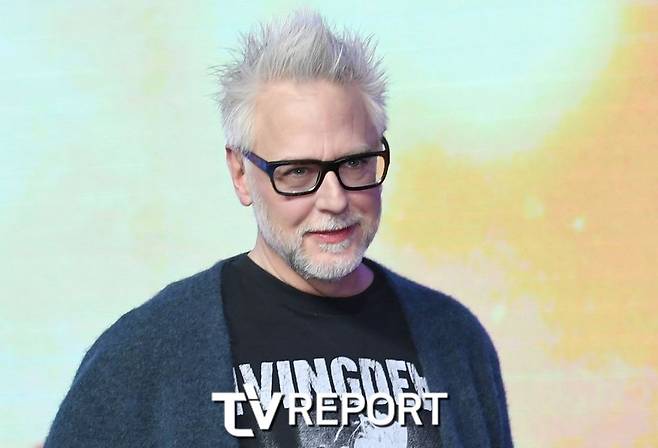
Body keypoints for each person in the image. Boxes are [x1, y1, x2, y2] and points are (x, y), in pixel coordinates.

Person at [44, 9, 513, 448]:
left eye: (355, 162)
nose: (334, 199)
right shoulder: (145, 352)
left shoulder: (454, 338)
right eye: (297, 172)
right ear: (240, 174)